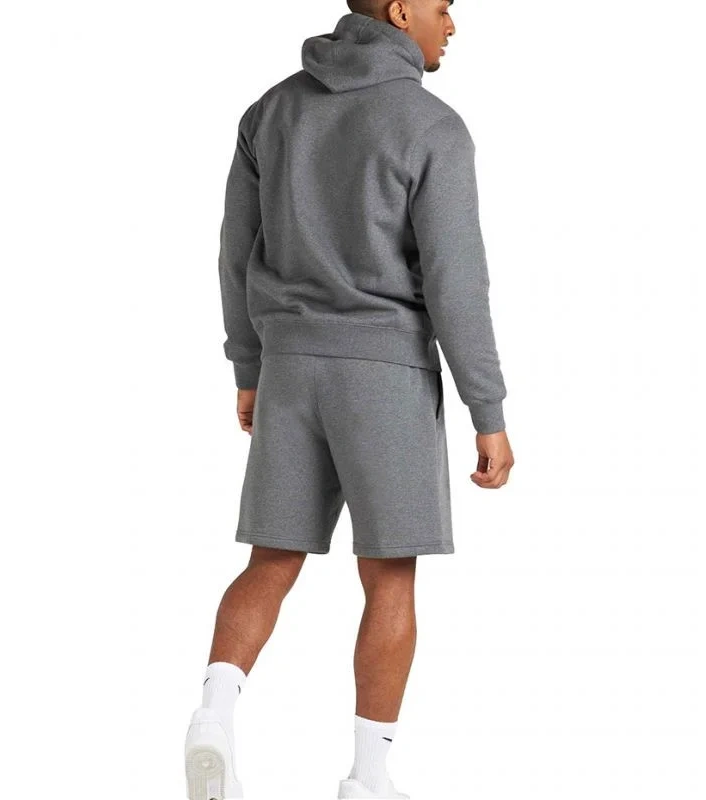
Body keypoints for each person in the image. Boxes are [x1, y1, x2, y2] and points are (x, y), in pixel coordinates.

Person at [184, 1, 515, 798]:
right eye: (442, 7)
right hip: (384, 374)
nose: (451, 24)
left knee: (271, 560)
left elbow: (235, 251)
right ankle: (368, 777)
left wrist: (249, 367)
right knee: (389, 577)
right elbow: (456, 282)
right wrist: (489, 410)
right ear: (401, 11)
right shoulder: (431, 126)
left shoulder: (271, 111)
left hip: (290, 368)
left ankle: (213, 716)